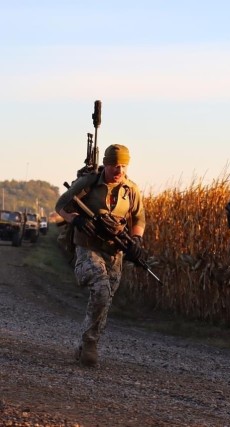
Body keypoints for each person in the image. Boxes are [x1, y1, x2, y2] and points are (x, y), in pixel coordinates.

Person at [55, 144, 145, 367]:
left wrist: (136, 241)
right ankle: (91, 343)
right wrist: (75, 219)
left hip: (114, 252)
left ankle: (85, 345)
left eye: (123, 165)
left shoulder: (131, 189)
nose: (119, 170)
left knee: (105, 300)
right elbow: (61, 205)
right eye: (115, 165)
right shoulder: (89, 183)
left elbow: (139, 218)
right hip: (87, 247)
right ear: (106, 163)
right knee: (101, 289)